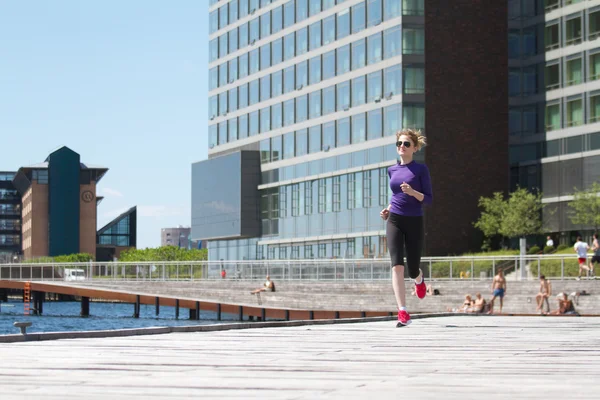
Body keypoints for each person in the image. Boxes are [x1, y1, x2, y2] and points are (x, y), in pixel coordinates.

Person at [380, 129, 432, 327]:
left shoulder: (421, 170)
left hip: (414, 220)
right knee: (396, 265)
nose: (401, 146)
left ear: (415, 148)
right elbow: (396, 197)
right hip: (394, 220)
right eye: (399, 144)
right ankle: (402, 311)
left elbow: (428, 199)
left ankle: (419, 279)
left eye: (406, 144)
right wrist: (388, 209)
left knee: (411, 268)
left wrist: (412, 192)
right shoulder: (392, 170)